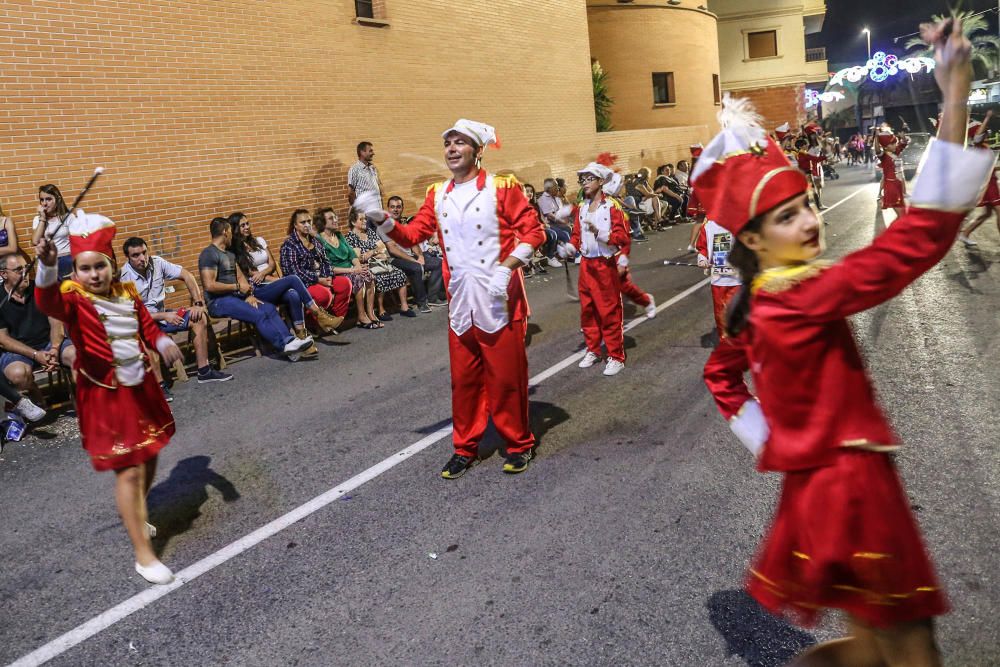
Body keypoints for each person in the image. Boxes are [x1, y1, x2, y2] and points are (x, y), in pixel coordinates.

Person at [699, 21, 989, 665]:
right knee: (911, 643)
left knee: (871, 643)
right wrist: (955, 94)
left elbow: (720, 378)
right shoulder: (797, 297)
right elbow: (914, 243)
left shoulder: (754, 305)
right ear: (750, 240)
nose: (808, 221)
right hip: (854, 487)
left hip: (821, 485)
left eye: (806, 203)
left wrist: (778, 438)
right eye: (787, 216)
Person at [362, 119, 545, 478]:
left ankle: (519, 444)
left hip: (499, 301)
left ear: (477, 151)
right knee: (464, 383)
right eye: (448, 143)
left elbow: (533, 231)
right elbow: (414, 233)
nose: (451, 149)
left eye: (460, 142)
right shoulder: (437, 193)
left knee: (506, 379)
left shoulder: (502, 187)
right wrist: (379, 217)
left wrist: (506, 269)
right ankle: (465, 448)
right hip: (461, 302)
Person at [34, 212, 187, 584]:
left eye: (99, 266)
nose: (93, 275)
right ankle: (143, 555)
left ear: (111, 266)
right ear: (76, 272)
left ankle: (135, 510)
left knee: (149, 457)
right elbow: (47, 302)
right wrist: (47, 266)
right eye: (84, 268)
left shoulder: (127, 292)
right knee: (129, 470)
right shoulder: (71, 297)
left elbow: (146, 327)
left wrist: (163, 342)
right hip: (104, 396)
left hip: (140, 387)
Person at [119, 237, 233, 384]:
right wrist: (164, 315)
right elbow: (132, 314)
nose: (142, 258)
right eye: (136, 255)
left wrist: (198, 303)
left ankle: (204, 371)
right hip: (144, 322)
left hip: (164, 315)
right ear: (127, 257)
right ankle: (160, 386)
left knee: (198, 317)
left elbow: (187, 275)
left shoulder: (157, 263)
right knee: (146, 339)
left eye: (144, 252)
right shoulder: (124, 278)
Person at [198, 217, 314, 361]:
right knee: (258, 315)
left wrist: (248, 295)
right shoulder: (209, 254)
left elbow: (241, 279)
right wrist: (237, 287)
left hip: (236, 297)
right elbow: (209, 285)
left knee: (269, 308)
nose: (232, 234)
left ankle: (290, 342)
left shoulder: (229, 255)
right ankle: (283, 345)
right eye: (230, 231)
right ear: (225, 232)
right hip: (218, 301)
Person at [557, 163, 630, 376]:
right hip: (586, 265)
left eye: (589, 179)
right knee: (588, 311)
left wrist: (600, 232)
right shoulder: (581, 207)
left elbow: (622, 238)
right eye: (582, 179)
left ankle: (616, 356)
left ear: (600, 182)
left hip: (605, 264)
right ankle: (593, 349)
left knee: (609, 312)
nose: (584, 183)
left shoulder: (612, 207)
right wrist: (569, 247)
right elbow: (577, 235)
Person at [228, 212, 341, 338]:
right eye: (242, 225)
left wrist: (267, 274)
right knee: (293, 278)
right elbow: (253, 275)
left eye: (247, 223)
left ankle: (301, 334)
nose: (247, 227)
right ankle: (318, 314)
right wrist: (277, 280)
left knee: (293, 294)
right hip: (258, 288)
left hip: (272, 282)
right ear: (234, 228)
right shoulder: (235, 251)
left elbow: (271, 264)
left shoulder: (258, 241)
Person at [0, 252, 77, 407]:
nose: (25, 273)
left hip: (48, 343)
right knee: (17, 375)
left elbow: (56, 322)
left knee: (76, 355)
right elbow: (3, 340)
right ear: (3, 274)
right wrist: (36, 355)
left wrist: (54, 348)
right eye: (18, 270)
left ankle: (84, 399)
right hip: (19, 351)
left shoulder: (41, 289)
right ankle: (36, 393)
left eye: (27, 268)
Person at [314, 207, 391, 329]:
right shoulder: (319, 240)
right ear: (322, 222)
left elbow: (352, 255)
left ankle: (371, 314)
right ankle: (361, 316)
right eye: (331, 218)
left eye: (335, 217)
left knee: (368, 274)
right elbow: (327, 267)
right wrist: (353, 270)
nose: (335, 220)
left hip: (351, 269)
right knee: (358, 278)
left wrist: (359, 266)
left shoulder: (339, 235)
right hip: (337, 273)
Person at [278, 209, 352, 332]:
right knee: (324, 295)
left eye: (308, 221)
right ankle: (313, 323)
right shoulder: (290, 244)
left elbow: (326, 261)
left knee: (345, 284)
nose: (306, 225)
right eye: (302, 222)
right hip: (303, 282)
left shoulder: (315, 240)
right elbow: (293, 272)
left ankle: (334, 319)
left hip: (321, 277)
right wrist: (318, 279)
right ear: (295, 225)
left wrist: (327, 276)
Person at [380, 196, 446, 315]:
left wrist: (420, 255)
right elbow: (392, 249)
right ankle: (421, 302)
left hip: (411, 257)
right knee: (416, 268)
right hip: (394, 259)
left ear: (402, 208)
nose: (396, 209)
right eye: (393, 207)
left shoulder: (404, 224)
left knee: (438, 263)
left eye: (398, 207)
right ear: (388, 209)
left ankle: (432, 297)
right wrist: (413, 260)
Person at [603, 172, 655, 319]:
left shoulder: (614, 208)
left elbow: (624, 237)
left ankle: (646, 301)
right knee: (593, 289)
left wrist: (623, 258)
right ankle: (594, 320)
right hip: (595, 255)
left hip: (613, 252)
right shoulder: (587, 205)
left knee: (623, 286)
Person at [344, 208, 412, 317]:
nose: (365, 221)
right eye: (361, 219)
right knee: (379, 278)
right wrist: (376, 251)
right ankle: (381, 309)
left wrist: (372, 252)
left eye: (365, 219)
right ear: (353, 222)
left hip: (380, 263)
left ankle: (404, 307)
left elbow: (382, 248)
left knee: (400, 273)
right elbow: (359, 257)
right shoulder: (350, 238)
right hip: (367, 266)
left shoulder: (370, 232)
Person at [694, 219, 740, 338]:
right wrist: (702, 258)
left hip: (739, 281)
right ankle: (726, 344)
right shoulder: (709, 226)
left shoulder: (743, 222)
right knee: (721, 316)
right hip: (718, 281)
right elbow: (703, 248)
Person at [959, 111, 999, 246]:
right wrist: (987, 117)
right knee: (999, 209)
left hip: (989, 181)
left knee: (987, 213)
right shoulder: (977, 146)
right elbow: (976, 137)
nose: (986, 132)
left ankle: (965, 234)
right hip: (987, 183)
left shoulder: (984, 148)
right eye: (983, 130)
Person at [31, 184, 79, 279]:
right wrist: (43, 219)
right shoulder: (38, 219)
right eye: (42, 200)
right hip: (47, 261)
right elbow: (35, 241)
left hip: (66, 259)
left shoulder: (68, 217)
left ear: (58, 199)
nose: (44, 203)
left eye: (48, 199)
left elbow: (78, 240)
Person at [875, 128, 907, 218]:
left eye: (894, 143)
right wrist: (876, 138)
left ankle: (899, 228)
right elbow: (877, 150)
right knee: (901, 214)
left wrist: (903, 138)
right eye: (892, 144)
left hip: (898, 184)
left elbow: (903, 144)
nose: (894, 145)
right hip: (890, 185)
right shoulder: (883, 156)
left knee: (901, 212)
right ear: (885, 146)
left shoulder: (895, 152)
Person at [347, 141, 382, 208]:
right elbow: (350, 193)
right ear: (362, 152)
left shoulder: (372, 168)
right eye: (370, 151)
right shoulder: (355, 169)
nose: (373, 153)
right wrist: (357, 211)